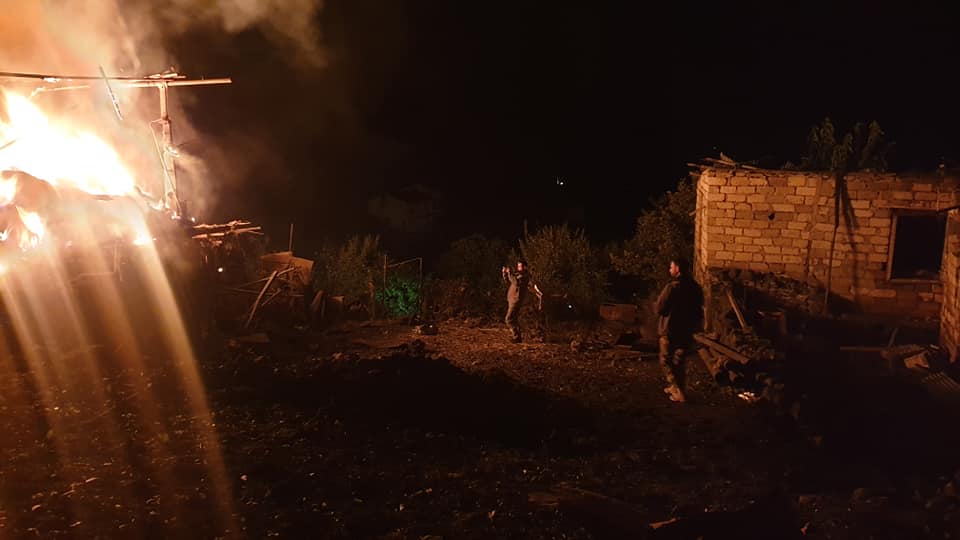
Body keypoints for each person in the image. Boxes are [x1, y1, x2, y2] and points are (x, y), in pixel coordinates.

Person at [654, 256, 704, 403]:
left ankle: (678, 390)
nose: (670, 269)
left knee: (666, 360)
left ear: (677, 268)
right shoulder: (696, 288)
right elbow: (699, 310)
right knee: (679, 360)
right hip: (686, 330)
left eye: (671, 267)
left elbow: (660, 308)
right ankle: (677, 387)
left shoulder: (672, 287)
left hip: (670, 329)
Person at [502, 259, 543, 343]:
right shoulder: (518, 275)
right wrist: (505, 273)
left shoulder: (524, 276)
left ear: (525, 267)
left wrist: (509, 272)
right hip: (511, 299)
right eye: (518, 266)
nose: (518, 268)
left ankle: (516, 336)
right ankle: (518, 337)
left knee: (508, 319)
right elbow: (509, 281)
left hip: (516, 300)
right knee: (514, 319)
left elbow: (515, 282)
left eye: (520, 266)